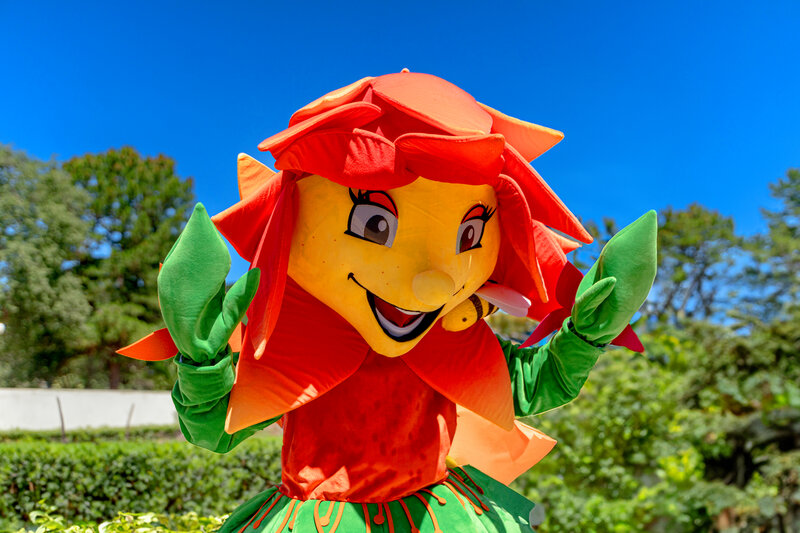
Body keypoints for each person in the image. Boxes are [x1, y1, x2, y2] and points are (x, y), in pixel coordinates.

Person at [120, 71, 657, 532]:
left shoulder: (451, 338)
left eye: (472, 234)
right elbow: (215, 430)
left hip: (436, 509)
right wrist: (202, 363)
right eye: (373, 223)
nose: (428, 285)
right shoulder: (291, 343)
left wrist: (586, 335)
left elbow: (532, 385)